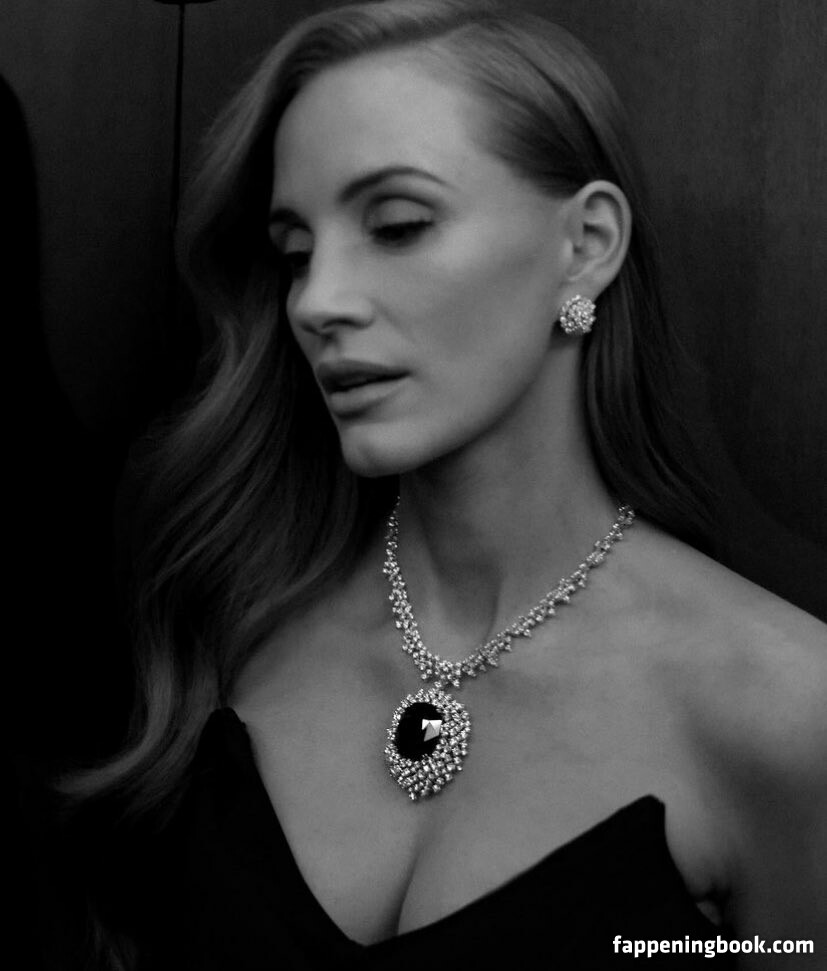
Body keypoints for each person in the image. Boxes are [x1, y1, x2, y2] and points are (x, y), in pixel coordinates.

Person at [64, 1, 827, 967]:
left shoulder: (785, 708)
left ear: (585, 245)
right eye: (295, 254)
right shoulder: (235, 617)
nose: (317, 301)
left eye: (397, 225)